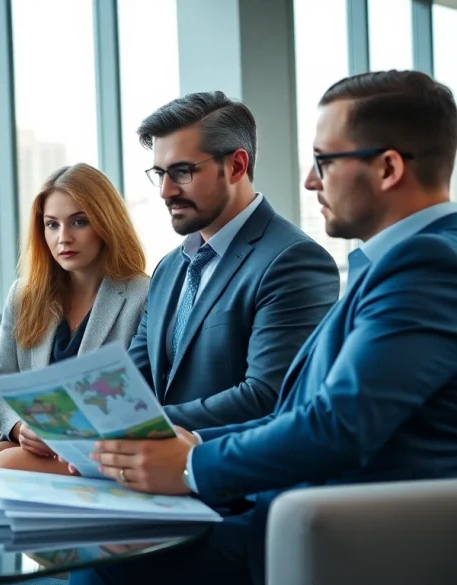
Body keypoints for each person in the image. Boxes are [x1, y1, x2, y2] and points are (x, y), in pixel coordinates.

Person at [72, 70, 457, 585]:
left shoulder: (426, 266)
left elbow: (336, 424)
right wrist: (184, 442)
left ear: (388, 168)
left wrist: (192, 465)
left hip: (340, 526)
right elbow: (307, 410)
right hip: (293, 505)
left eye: (324, 161)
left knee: (102, 563)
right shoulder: (392, 263)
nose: (310, 181)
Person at [128, 91, 340, 430]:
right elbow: (132, 381)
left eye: (182, 172)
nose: (165, 191)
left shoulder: (293, 261)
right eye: (160, 173)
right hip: (150, 473)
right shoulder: (168, 269)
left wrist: (143, 428)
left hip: (230, 474)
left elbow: (269, 396)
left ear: (236, 166)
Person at [0, 163, 150, 501]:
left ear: (105, 222)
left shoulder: (141, 294)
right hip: (38, 441)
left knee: (7, 463)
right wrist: (19, 427)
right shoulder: (24, 295)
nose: (63, 237)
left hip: (101, 448)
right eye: (51, 225)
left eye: (79, 222)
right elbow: (2, 395)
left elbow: (142, 396)